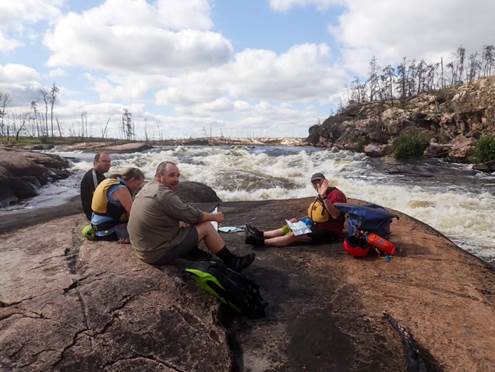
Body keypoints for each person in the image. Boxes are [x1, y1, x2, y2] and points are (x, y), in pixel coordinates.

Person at [128, 161, 255, 271]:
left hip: (141, 248)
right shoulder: (164, 194)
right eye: (171, 175)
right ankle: (233, 262)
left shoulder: (148, 187)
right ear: (159, 176)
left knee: (184, 222)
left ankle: (191, 252)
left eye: (178, 175)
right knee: (205, 226)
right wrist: (214, 217)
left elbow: (183, 214)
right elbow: (193, 216)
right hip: (155, 254)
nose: (176, 179)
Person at [245, 172, 347, 247]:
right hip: (316, 225)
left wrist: (324, 197)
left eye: (319, 182)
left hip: (330, 232)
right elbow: (318, 213)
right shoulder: (321, 193)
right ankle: (261, 234)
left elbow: (335, 215)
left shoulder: (336, 195)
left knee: (294, 235)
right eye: (314, 183)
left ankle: (262, 242)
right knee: (290, 226)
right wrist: (299, 219)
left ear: (325, 182)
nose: (317, 185)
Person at [91, 167, 145, 242]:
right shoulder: (121, 189)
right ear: (132, 180)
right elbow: (133, 214)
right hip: (108, 231)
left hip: (97, 226)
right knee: (148, 234)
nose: (138, 188)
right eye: (138, 184)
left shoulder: (111, 181)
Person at [80, 153, 112, 220]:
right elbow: (99, 200)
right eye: (104, 161)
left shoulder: (100, 175)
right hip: (95, 215)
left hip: (97, 212)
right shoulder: (93, 177)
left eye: (109, 161)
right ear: (95, 162)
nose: (108, 164)